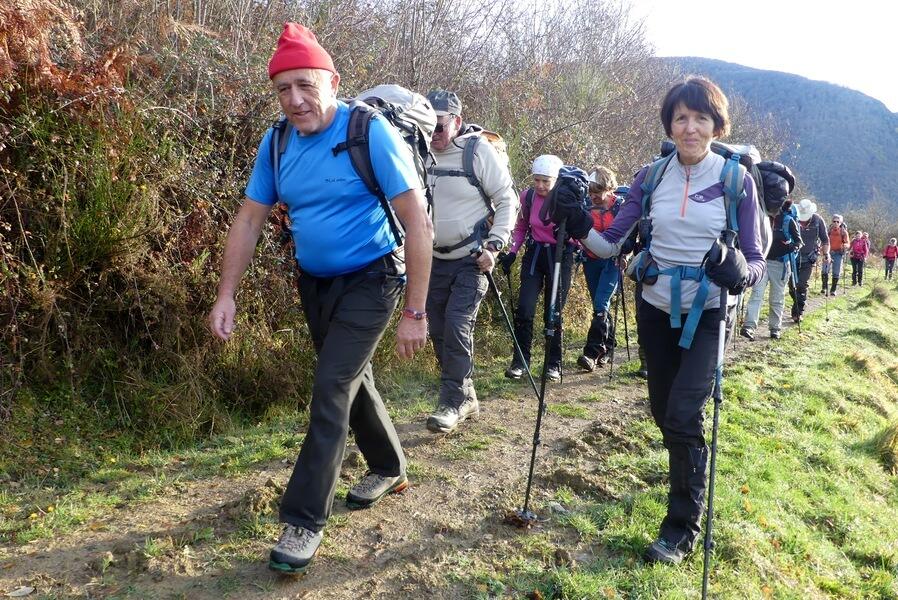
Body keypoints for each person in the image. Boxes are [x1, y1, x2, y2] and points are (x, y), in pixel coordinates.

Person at [208, 23, 432, 574]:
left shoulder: (369, 132)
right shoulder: (277, 142)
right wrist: (226, 293)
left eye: (306, 85)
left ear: (332, 82)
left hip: (374, 279)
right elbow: (249, 219)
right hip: (314, 284)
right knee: (351, 381)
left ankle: (304, 519)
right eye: (283, 89)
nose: (295, 100)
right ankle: (389, 467)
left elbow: (418, 223)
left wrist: (416, 311)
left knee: (331, 385)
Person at [550, 76, 765, 564]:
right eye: (681, 118)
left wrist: (740, 272)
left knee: (684, 414)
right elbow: (609, 245)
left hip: (710, 312)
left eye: (701, 118)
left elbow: (754, 260)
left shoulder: (736, 181)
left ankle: (682, 526)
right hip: (655, 307)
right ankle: (685, 478)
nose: (690, 128)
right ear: (669, 125)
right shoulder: (650, 178)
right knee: (665, 413)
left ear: (716, 125)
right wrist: (578, 221)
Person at [423, 90, 518, 433]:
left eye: (438, 125)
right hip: (433, 258)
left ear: (457, 122)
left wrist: (495, 245)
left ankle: (453, 401)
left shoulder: (477, 151)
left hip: (472, 259)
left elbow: (507, 199)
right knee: (437, 328)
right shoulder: (420, 152)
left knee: (456, 325)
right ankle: (465, 393)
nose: (432, 133)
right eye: (426, 125)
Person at [499, 154, 572, 382]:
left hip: (560, 256)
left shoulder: (566, 198)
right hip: (535, 254)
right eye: (537, 180)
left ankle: (553, 364)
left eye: (545, 181)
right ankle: (520, 362)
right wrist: (512, 252)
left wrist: (573, 242)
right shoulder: (528, 197)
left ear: (556, 180)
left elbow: (581, 230)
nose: (540, 186)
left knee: (554, 312)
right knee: (524, 309)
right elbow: (521, 227)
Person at [577, 166, 623, 371]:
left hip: (612, 262)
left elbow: (629, 233)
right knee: (600, 306)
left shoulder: (620, 207)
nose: (593, 196)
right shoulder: (585, 205)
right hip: (591, 260)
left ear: (609, 188)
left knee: (600, 303)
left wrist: (625, 255)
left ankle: (592, 352)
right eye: (590, 192)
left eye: (598, 191)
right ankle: (609, 346)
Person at [741, 200, 803, 340]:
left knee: (776, 298)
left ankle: (775, 328)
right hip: (761, 263)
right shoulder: (761, 218)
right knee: (756, 294)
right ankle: (749, 326)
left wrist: (793, 246)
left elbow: (799, 242)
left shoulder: (788, 221)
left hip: (781, 264)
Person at [789, 199, 829, 323]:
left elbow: (825, 240)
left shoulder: (818, 220)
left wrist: (826, 254)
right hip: (792, 257)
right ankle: (799, 302)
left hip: (809, 258)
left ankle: (798, 312)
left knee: (801, 284)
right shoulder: (792, 218)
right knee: (792, 285)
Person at [823, 213, 849, 295]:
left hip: (838, 253)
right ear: (832, 221)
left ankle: (833, 290)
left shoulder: (843, 232)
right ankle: (824, 287)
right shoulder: (828, 231)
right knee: (824, 270)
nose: (836, 223)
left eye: (838, 222)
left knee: (836, 272)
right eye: (834, 221)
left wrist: (845, 245)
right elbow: (824, 241)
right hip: (828, 253)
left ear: (840, 223)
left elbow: (847, 243)